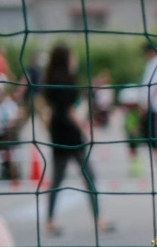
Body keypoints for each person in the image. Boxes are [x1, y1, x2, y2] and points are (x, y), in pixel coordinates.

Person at [42, 44, 114, 235]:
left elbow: (48, 109)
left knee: (57, 179)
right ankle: (98, 219)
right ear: (66, 59)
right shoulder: (68, 80)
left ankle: (49, 221)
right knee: (89, 176)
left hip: (57, 133)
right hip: (71, 134)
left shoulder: (49, 80)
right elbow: (70, 111)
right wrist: (85, 129)